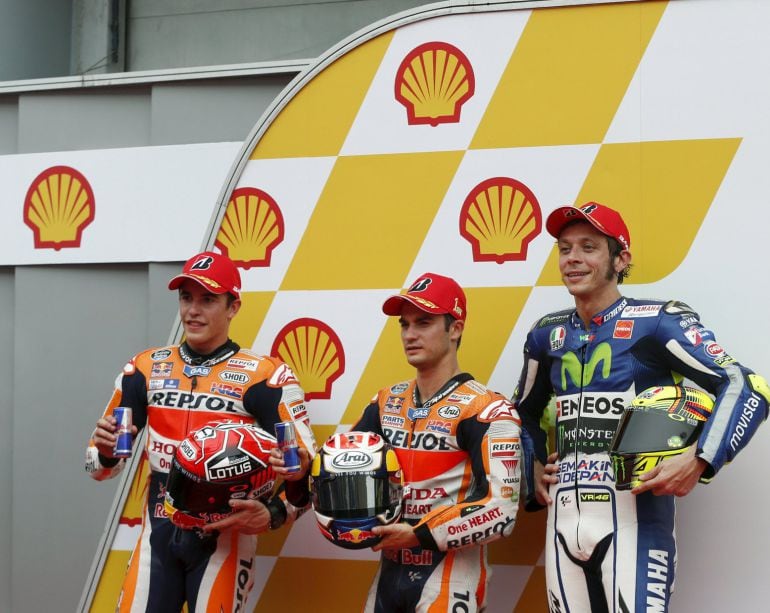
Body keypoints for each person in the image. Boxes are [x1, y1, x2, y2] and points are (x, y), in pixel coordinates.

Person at [513, 202, 770, 612]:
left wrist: (700, 459)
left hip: (636, 524)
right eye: (565, 249)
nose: (573, 259)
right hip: (561, 526)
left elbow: (746, 385)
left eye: (589, 247)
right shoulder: (547, 333)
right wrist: (533, 467)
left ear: (621, 258)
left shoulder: (657, 321)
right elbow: (521, 412)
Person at [85, 250, 316, 613]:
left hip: (225, 539)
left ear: (233, 306)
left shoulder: (267, 377)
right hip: (157, 535)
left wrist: (273, 513)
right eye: (186, 297)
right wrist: (107, 450)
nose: (193, 310)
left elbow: (307, 476)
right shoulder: (144, 368)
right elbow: (98, 468)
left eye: (208, 299)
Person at [352, 272, 522, 613]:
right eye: (405, 325)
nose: (410, 335)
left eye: (424, 323)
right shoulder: (385, 402)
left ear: (455, 328)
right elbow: (341, 471)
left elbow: (502, 511)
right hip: (388, 571)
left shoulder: (486, 409)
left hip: (451, 574)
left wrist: (419, 534)